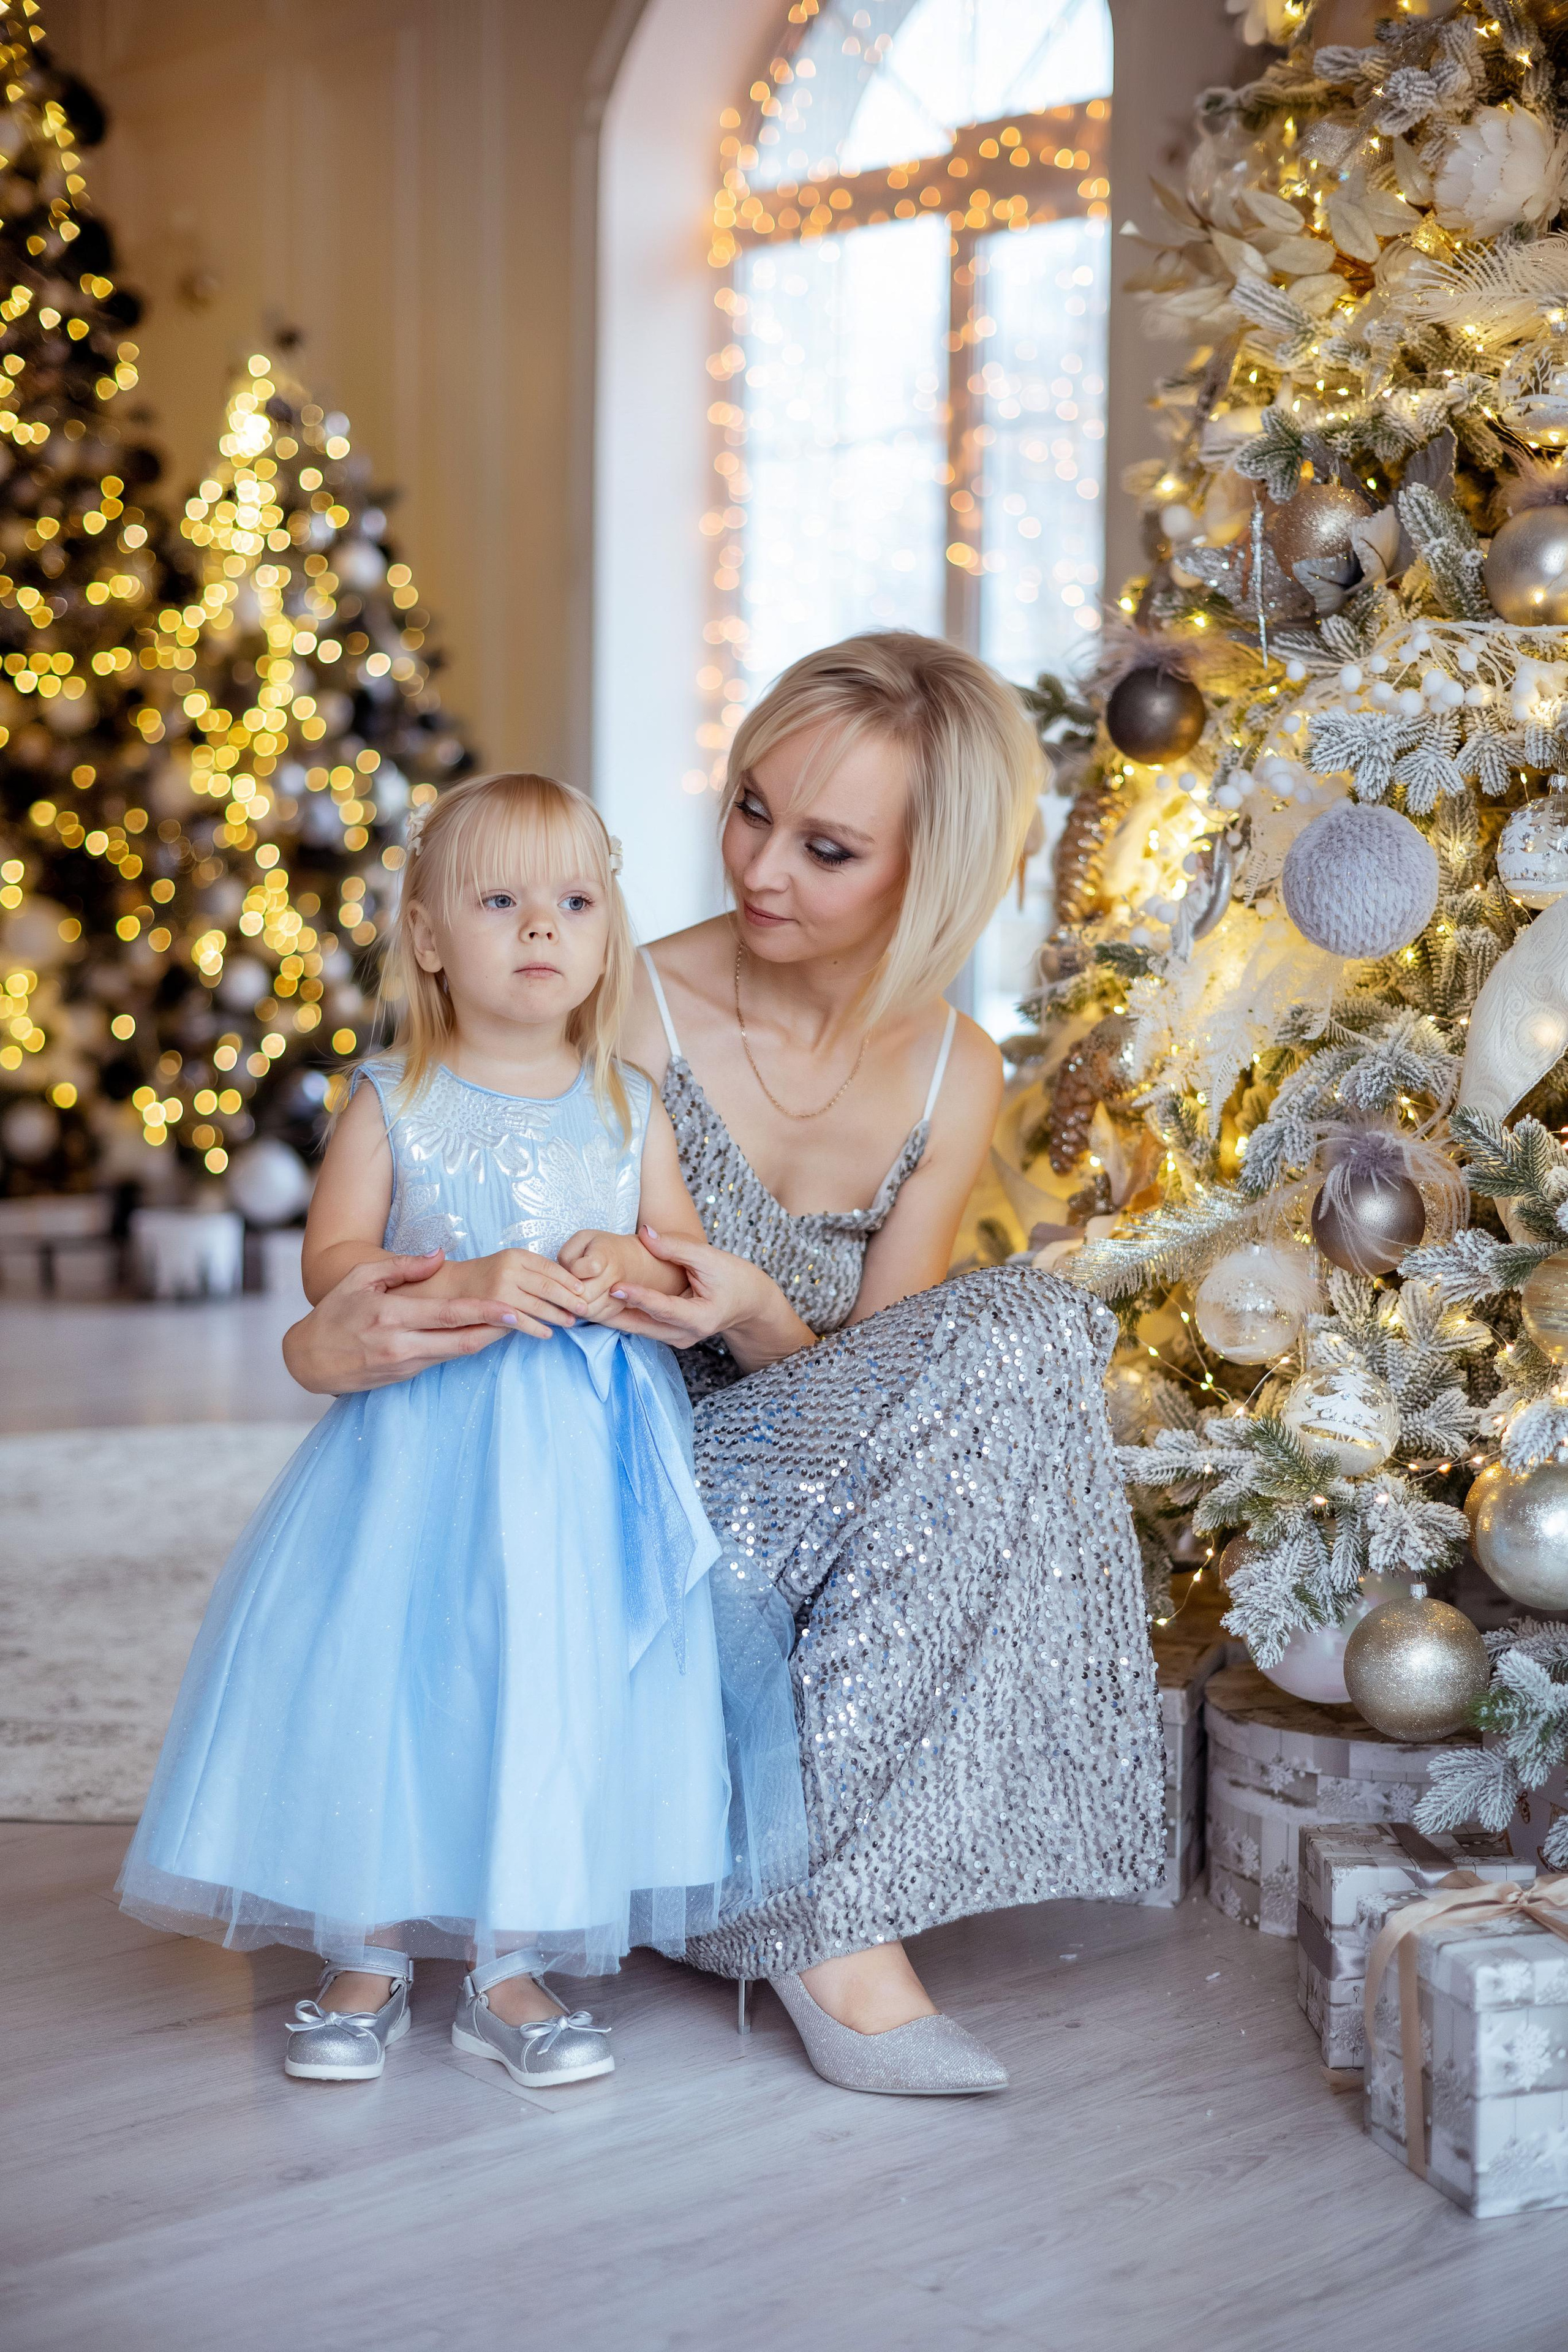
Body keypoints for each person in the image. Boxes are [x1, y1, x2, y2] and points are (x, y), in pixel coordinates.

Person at [285, 634, 1165, 2098]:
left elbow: (893, 1407)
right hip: (605, 1492)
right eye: (748, 810)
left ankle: (779, 1867)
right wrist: (349, 1323)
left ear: (924, 876)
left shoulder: (957, 1072)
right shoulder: (607, 996)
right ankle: (822, 1924)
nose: (758, 868)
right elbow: (429, 1195)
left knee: (1028, 1333)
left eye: (825, 848)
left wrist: (754, 1316)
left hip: (802, 1523)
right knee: (1017, 1338)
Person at [118, 772, 807, 2091]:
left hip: (581, 1469)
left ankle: (509, 1968)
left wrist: (625, 1260)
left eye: (572, 902)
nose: (540, 929)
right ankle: (364, 1956)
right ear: (430, 935)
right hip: (421, 1454)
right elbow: (333, 1266)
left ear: (605, 932)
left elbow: (688, 1275)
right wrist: (455, 1276)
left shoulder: (628, 1105)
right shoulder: (396, 1099)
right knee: (392, 1673)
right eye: (500, 901)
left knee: (546, 1684)